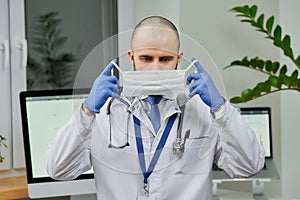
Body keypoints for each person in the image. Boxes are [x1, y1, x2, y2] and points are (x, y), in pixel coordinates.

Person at [46, 16, 264, 200]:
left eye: (165, 59)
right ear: (132, 58)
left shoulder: (204, 110)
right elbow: (57, 169)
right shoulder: (104, 113)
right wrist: (86, 111)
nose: (156, 67)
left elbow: (249, 165)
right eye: (146, 58)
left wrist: (221, 108)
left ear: (179, 59)